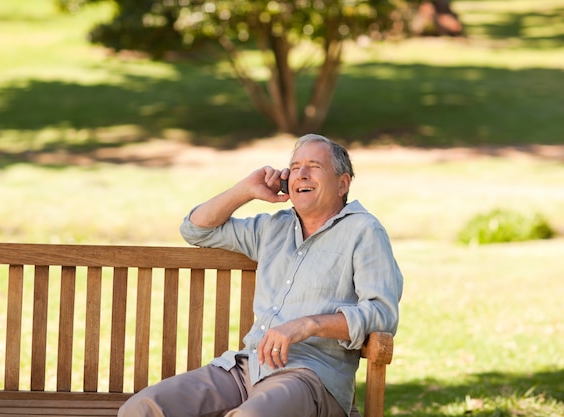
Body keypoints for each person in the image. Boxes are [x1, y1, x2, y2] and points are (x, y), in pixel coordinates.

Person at [118, 134, 403, 417]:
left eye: (314, 166)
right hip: (247, 369)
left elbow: (382, 313)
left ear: (343, 183)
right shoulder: (273, 228)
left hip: (310, 377)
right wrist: (246, 189)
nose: (301, 174)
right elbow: (196, 229)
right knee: (142, 409)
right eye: (294, 167)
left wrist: (308, 325)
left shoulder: (364, 231)